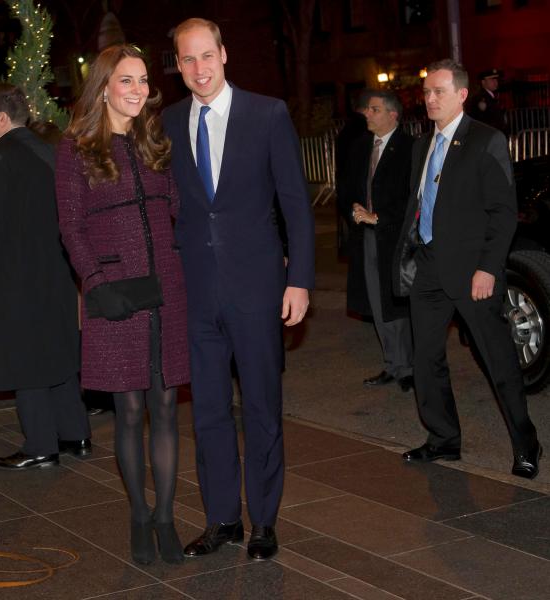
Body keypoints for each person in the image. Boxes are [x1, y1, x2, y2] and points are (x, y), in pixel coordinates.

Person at [162, 18, 315, 561]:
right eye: (187, 60)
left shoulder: (267, 113)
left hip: (258, 290)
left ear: (224, 55)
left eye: (207, 56)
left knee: (261, 409)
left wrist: (299, 280)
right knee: (207, 413)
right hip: (196, 294)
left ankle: (264, 523)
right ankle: (223, 519)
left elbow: (295, 203)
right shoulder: (169, 122)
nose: (199, 69)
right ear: (177, 66)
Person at [55, 45, 190, 566]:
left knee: (165, 408)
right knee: (130, 410)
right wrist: (95, 281)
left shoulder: (154, 140)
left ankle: (166, 516)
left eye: (142, 81)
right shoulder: (77, 148)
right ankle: (138, 513)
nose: (138, 91)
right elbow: (71, 226)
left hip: (167, 289)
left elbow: (175, 205)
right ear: (104, 87)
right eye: (127, 81)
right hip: (116, 293)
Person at [394, 59, 542, 479]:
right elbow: (419, 204)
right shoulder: (422, 145)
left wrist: (488, 268)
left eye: (439, 91)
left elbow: (503, 212)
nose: (430, 99)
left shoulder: (485, 139)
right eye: (426, 93)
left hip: (472, 272)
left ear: (461, 94)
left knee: (497, 359)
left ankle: (526, 443)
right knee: (425, 358)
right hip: (428, 268)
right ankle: (443, 439)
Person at [0, 83, 91, 470]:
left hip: (14, 280)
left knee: (25, 360)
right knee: (58, 355)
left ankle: (39, 445)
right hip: (55, 274)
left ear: (2, 117)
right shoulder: (48, 151)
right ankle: (76, 434)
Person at [338, 90, 414, 392]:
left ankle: (408, 367)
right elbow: (346, 188)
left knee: (397, 305)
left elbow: (411, 198)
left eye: (374, 109)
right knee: (378, 305)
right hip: (366, 238)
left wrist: (380, 217)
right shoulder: (359, 147)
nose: (367, 114)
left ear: (393, 115)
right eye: (367, 109)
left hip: (395, 239)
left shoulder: (409, 148)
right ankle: (393, 364)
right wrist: (354, 208)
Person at [468, 68, 506, 133]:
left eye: (496, 79)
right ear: (483, 82)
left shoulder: (491, 96)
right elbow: (483, 121)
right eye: (491, 80)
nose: (495, 82)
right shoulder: (481, 98)